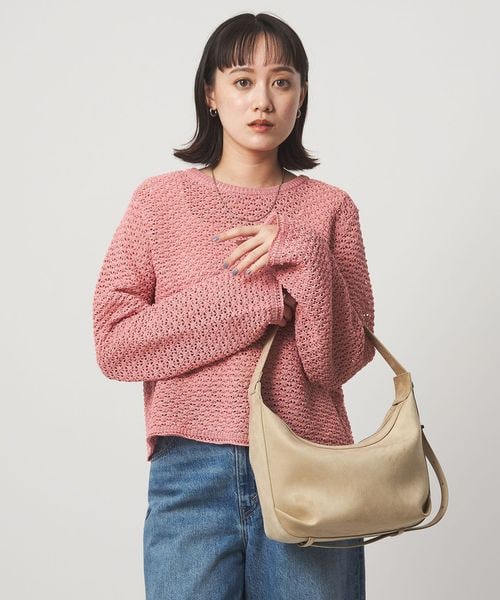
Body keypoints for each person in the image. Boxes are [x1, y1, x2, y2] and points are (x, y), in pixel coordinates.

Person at [92, 11, 375, 600]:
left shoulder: (331, 210)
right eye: (243, 80)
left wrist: (305, 257)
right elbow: (116, 345)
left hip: (312, 469)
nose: (262, 100)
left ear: (301, 95)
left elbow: (338, 363)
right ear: (211, 94)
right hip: (190, 473)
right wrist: (265, 298)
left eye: (281, 81)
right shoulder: (159, 202)